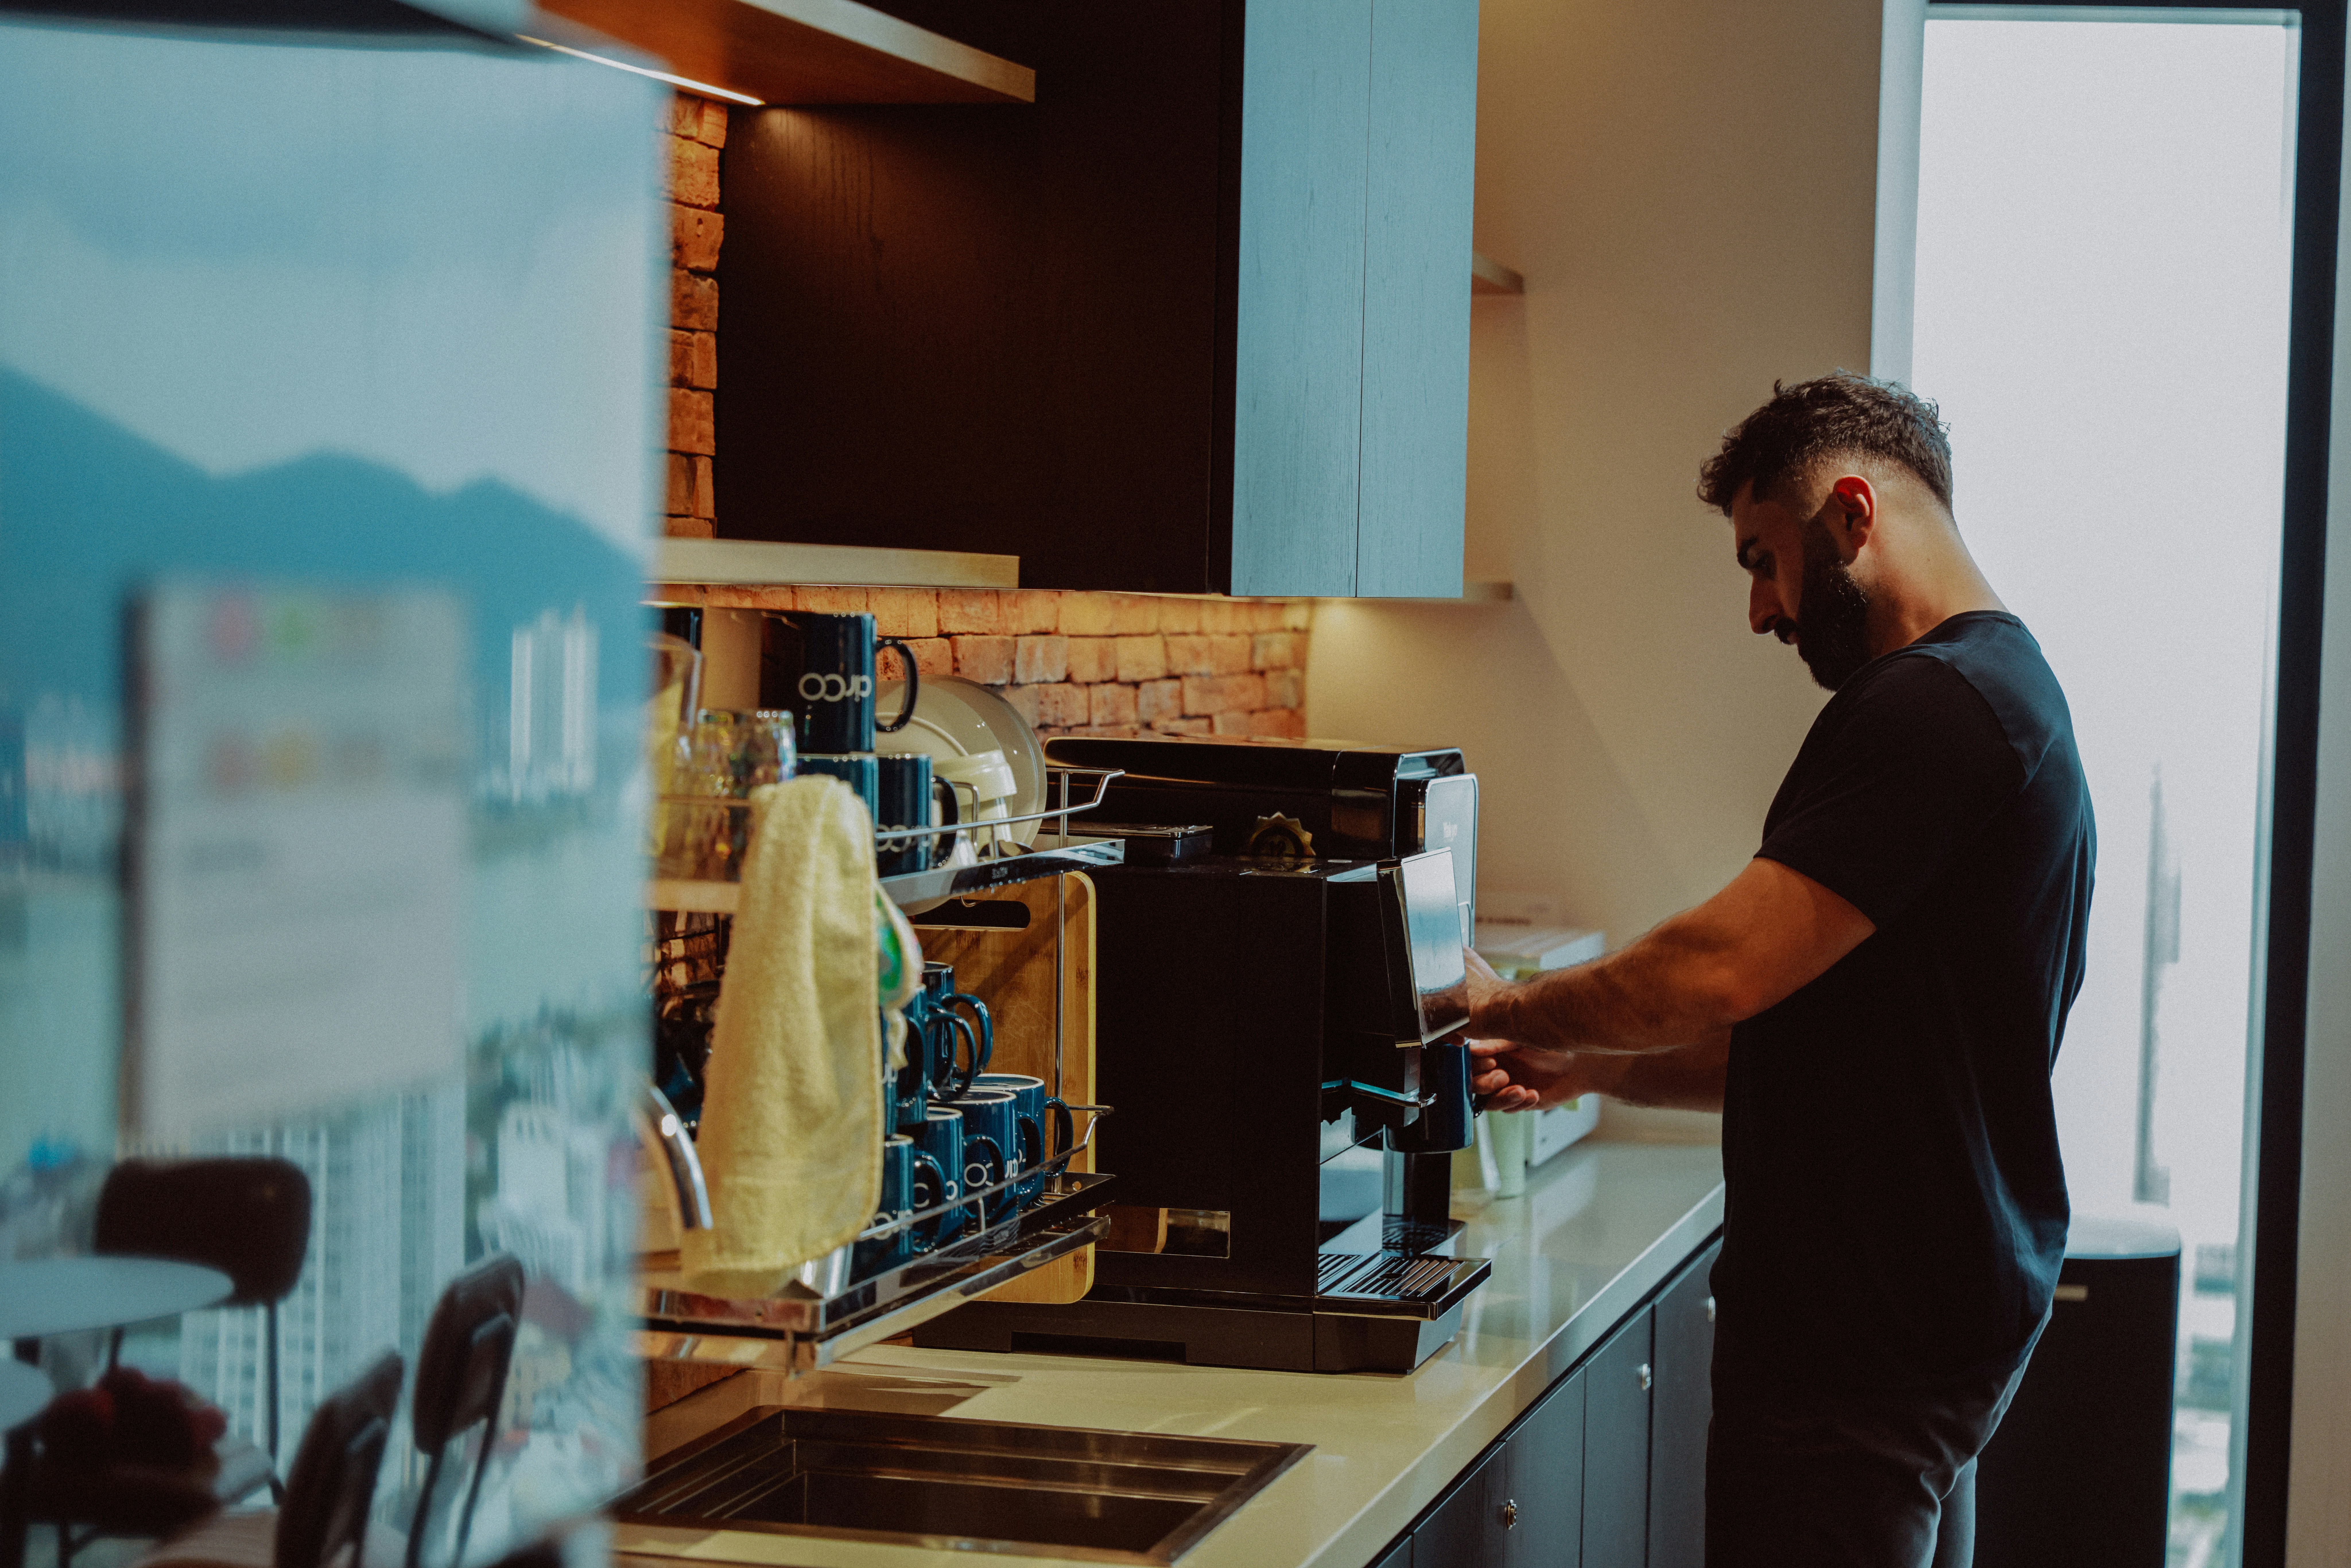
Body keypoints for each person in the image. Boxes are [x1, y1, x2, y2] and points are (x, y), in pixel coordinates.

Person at [1459, 373, 2094, 1567]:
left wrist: (1498, 1004)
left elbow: (1719, 967)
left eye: (1762, 557)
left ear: (1850, 514)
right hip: (1921, 1326)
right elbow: (1836, 1035)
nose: (1759, 609)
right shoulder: (2000, 693)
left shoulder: (1935, 706)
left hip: (1860, 1352)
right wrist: (1592, 1068)